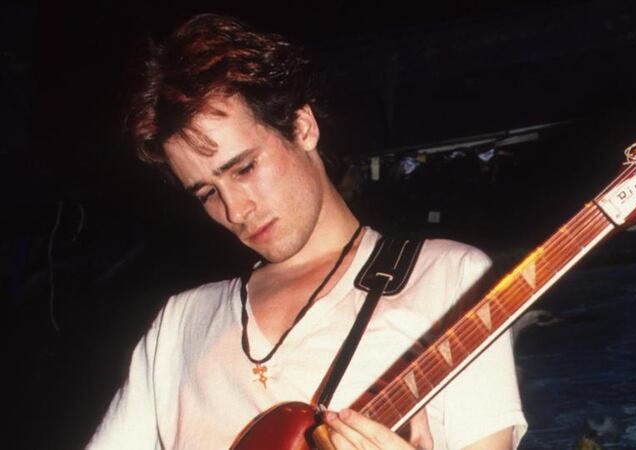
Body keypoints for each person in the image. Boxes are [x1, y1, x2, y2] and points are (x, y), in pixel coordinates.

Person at [87, 14, 527, 450]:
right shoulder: (180, 323)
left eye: (244, 168)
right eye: (206, 193)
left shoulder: (448, 276)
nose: (236, 210)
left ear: (302, 127)